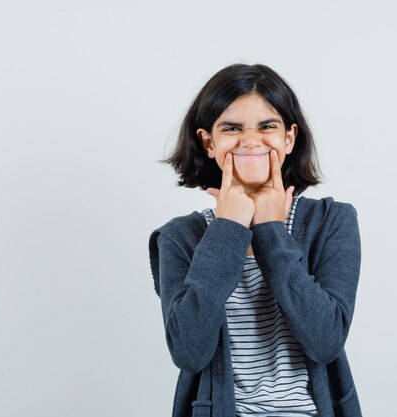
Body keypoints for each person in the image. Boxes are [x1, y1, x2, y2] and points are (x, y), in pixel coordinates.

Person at [148, 63, 362, 417]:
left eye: (267, 126)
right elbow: (188, 351)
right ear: (208, 142)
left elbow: (326, 341)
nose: (250, 140)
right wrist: (229, 227)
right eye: (232, 128)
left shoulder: (331, 221)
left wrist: (271, 230)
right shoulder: (179, 237)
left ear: (289, 138)